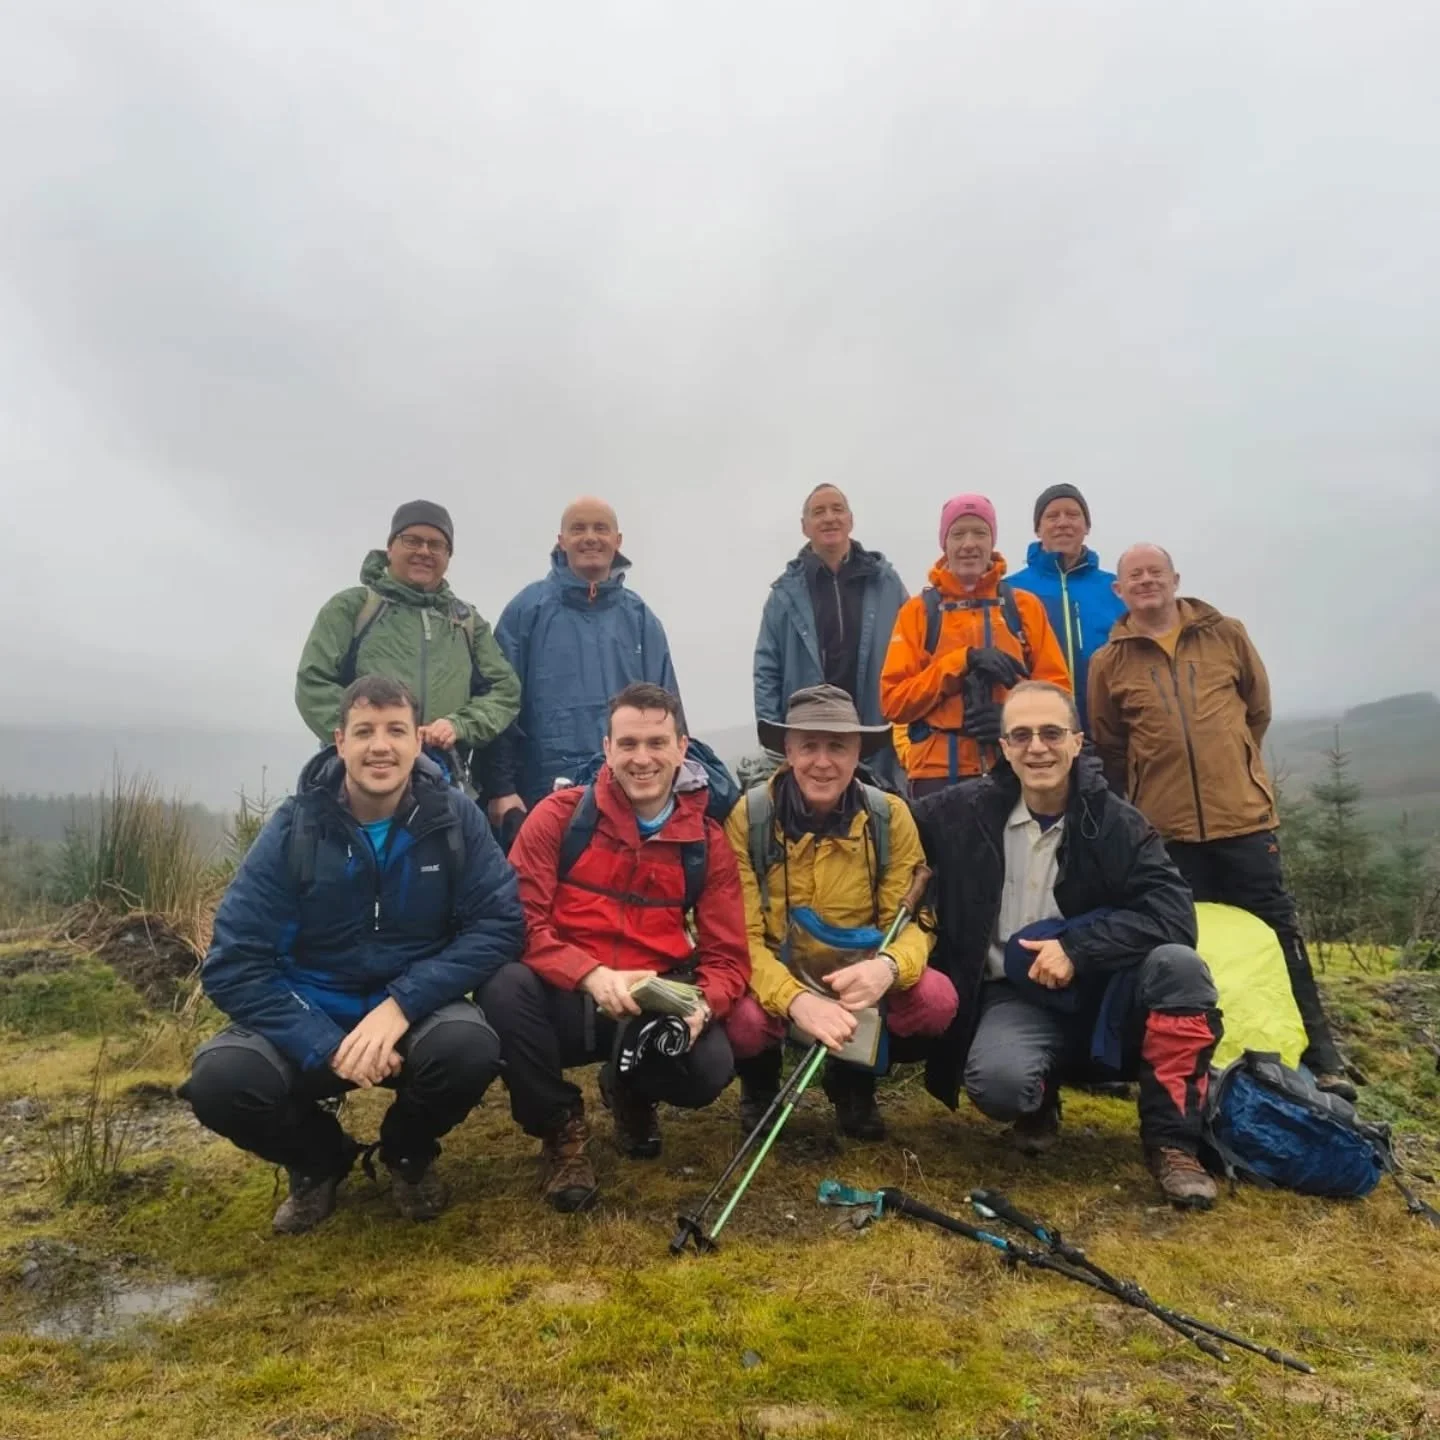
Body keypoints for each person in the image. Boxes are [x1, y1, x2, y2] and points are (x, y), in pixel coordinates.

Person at [180, 676, 524, 1235]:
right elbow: (233, 961)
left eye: (395, 731)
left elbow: (500, 924)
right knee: (221, 1082)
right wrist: (324, 1042)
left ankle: (407, 1153)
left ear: (419, 741)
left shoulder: (454, 819)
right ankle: (319, 1159)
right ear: (339, 742)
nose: (380, 746)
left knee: (468, 1047)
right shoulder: (296, 826)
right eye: (364, 731)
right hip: (308, 1007)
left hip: (411, 1006)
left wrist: (402, 1005)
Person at [914, 681, 1224, 1209]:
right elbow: (890, 815)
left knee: (1180, 968)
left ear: (1077, 742)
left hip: (1112, 991)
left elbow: (1175, 914)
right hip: (1017, 995)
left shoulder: (1117, 822)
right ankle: (1039, 1097)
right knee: (998, 1085)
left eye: (1052, 733)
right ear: (1004, 748)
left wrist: (1080, 948)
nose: (1038, 747)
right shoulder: (960, 813)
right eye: (1022, 735)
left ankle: (1175, 1145)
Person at [1087, 544, 1353, 1096]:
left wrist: (1229, 765)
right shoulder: (1108, 662)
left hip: (1244, 820)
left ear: (1175, 579)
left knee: (1280, 935)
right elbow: (1111, 744)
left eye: (1155, 572)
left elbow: (1257, 711)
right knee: (1180, 946)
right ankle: (1194, 1062)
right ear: (1119, 590)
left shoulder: (1225, 633)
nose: (1145, 582)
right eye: (1134, 576)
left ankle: (1321, 1053)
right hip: (1166, 832)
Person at [480, 683, 749, 1212]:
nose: (642, 758)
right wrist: (589, 974)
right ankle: (560, 1131)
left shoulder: (706, 841)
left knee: (708, 1069)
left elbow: (727, 959)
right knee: (502, 986)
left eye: (656, 742)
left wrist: (701, 1007)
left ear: (682, 748)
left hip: (649, 1001)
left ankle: (629, 1089)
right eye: (628, 744)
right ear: (606, 749)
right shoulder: (557, 818)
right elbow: (519, 923)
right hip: (564, 993)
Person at [724, 686, 958, 1139]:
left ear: (857, 753)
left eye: (837, 746)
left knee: (935, 1000)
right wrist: (796, 999)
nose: (822, 761)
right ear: (787, 751)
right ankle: (760, 1082)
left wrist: (888, 969)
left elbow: (916, 925)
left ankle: (853, 1080)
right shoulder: (748, 819)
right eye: (808, 746)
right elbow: (740, 939)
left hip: (858, 982)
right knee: (744, 1021)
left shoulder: (889, 817)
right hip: (776, 977)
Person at [479, 497, 680, 830]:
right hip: (540, 796)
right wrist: (501, 788)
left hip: (629, 790)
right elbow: (498, 703)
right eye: (578, 529)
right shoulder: (526, 611)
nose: (590, 537)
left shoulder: (641, 618)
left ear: (617, 541)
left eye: (600, 528)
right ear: (561, 541)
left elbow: (669, 711)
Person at [295, 501, 521, 780]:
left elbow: (505, 691)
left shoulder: (466, 622)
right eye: (412, 541)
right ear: (390, 548)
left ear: (448, 556)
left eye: (436, 544)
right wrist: (371, 735)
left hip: (441, 778)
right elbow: (312, 684)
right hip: (359, 778)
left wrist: (459, 725)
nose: (424, 551)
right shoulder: (352, 608)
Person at [881, 493, 1071, 796]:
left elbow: (1060, 697)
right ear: (944, 544)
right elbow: (893, 701)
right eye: (958, 533)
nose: (969, 543)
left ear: (992, 541)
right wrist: (962, 661)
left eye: (980, 532)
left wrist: (1012, 722)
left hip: (1017, 768)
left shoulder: (1023, 607)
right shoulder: (918, 612)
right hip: (936, 774)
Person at [753, 486, 908, 788]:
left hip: (879, 739)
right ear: (804, 526)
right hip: (814, 748)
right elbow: (766, 671)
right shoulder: (784, 596)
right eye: (819, 512)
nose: (829, 518)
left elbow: (914, 656)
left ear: (851, 520)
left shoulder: (887, 584)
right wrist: (775, 746)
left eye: (837, 509)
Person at [1008, 484, 1125, 727]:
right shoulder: (1009, 591)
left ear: (1087, 526)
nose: (1063, 523)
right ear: (1038, 529)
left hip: (1108, 730)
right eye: (1052, 516)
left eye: (1072, 515)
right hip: (1036, 733)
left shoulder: (1117, 589)